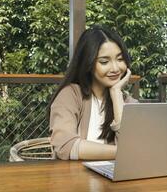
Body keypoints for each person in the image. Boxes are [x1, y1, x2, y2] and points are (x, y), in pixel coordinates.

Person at [48, 26, 138, 160]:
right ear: (88, 63)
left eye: (120, 59)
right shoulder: (70, 95)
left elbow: (135, 148)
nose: (115, 68)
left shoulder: (127, 102)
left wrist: (116, 94)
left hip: (115, 179)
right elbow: (66, 146)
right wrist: (122, 153)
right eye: (104, 62)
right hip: (74, 179)